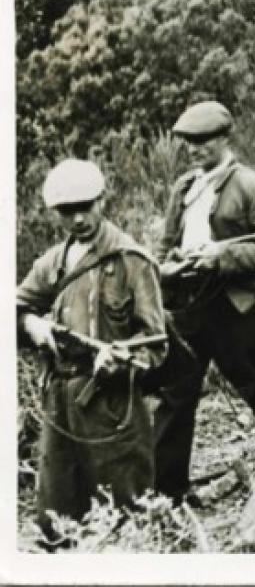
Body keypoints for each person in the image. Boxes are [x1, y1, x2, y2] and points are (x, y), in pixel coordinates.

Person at [17, 159, 166, 543]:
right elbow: (16, 305)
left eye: (87, 206)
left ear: (103, 200)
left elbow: (155, 342)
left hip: (112, 405)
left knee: (124, 513)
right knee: (56, 513)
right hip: (60, 401)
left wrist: (120, 358)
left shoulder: (131, 261)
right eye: (68, 211)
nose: (79, 218)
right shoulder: (53, 261)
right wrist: (31, 324)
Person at [152, 101, 255, 503]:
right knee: (177, 391)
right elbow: (167, 242)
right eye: (188, 142)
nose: (194, 149)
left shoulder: (249, 185)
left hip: (233, 305)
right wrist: (168, 265)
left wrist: (222, 256)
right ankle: (167, 490)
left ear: (225, 138)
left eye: (203, 141)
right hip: (189, 303)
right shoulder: (183, 188)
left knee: (254, 381)